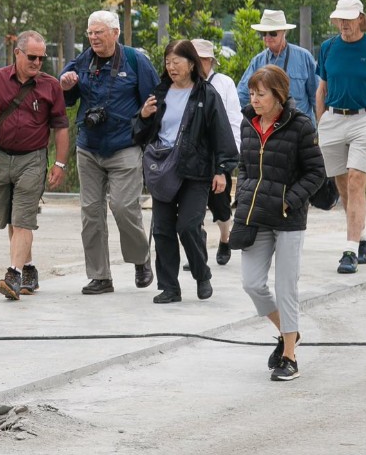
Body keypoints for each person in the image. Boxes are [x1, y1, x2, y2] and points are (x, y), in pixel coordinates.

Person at [235, 65, 326, 382]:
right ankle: (290, 332)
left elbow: (316, 174)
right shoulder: (249, 124)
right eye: (251, 93)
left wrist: (289, 200)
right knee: (252, 283)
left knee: (286, 287)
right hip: (256, 216)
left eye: (261, 94)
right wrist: (243, 194)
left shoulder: (301, 127)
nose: (255, 99)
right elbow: (244, 166)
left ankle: (289, 356)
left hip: (289, 219)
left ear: (279, 96)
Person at [60, 10, 159, 295]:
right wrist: (66, 87)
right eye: (90, 33)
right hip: (89, 146)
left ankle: (140, 258)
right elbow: (66, 97)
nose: (93, 38)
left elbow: (155, 100)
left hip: (124, 145)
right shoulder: (83, 60)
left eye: (99, 32)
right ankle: (100, 276)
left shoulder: (135, 60)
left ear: (115, 33)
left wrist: (143, 124)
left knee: (124, 207)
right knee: (91, 212)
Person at [132, 40, 237, 303]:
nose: (171, 68)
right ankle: (169, 287)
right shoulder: (160, 92)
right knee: (163, 230)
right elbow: (140, 133)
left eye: (176, 62)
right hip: (163, 169)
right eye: (168, 63)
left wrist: (222, 170)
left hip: (196, 170)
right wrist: (143, 116)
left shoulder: (206, 94)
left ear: (191, 64)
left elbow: (221, 133)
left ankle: (202, 274)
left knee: (189, 226)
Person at [0, 30, 70, 299]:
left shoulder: (51, 86)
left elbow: (61, 127)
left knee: (23, 218)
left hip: (33, 158)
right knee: (9, 220)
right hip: (0, 157)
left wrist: (60, 164)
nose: (38, 63)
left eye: (42, 58)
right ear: (17, 53)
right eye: (32, 57)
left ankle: (13, 274)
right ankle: (28, 268)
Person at [315, 0, 366, 275]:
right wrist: (322, 119)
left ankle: (349, 251)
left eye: (348, 19)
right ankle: (363, 238)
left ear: (361, 18)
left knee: (356, 181)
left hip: (364, 119)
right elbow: (321, 89)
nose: (343, 25)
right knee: (343, 186)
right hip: (333, 119)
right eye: (339, 19)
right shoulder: (327, 48)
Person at [193, 39, 243, 266]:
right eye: (196, 58)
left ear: (211, 61)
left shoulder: (223, 83)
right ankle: (197, 248)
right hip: (193, 153)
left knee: (220, 203)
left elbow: (234, 119)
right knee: (191, 203)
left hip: (218, 151)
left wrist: (229, 158)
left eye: (204, 59)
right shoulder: (185, 83)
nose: (200, 63)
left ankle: (225, 237)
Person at [236, 10, 319, 117]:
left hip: (299, 127)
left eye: (273, 33)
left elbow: (316, 96)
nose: (267, 37)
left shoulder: (304, 57)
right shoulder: (257, 61)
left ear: (284, 32)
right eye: (264, 33)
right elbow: (241, 95)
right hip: (268, 127)